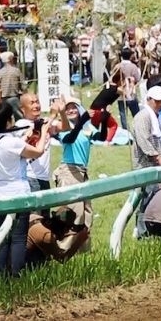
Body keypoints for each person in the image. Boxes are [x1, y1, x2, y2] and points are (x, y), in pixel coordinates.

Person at [0, 101, 52, 277]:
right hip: (18, 194)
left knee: (2, 237)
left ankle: (0, 276)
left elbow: (14, 147)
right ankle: (16, 276)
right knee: (18, 237)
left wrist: (29, 134)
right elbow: (38, 151)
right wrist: (44, 131)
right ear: (8, 120)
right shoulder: (12, 142)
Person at [131, 86, 161, 238]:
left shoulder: (156, 116)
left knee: (155, 199)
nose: (160, 105)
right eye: (157, 101)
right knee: (146, 200)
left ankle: (153, 231)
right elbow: (143, 140)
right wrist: (158, 157)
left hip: (156, 165)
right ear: (149, 99)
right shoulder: (143, 116)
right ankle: (142, 232)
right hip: (146, 165)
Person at [53, 97, 95, 235]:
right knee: (73, 213)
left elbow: (102, 137)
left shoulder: (87, 128)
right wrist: (81, 121)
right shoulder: (63, 126)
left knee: (87, 212)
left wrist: (105, 117)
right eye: (67, 108)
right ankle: (67, 244)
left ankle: (83, 244)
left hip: (82, 172)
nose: (71, 110)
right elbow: (70, 139)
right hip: (69, 171)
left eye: (74, 107)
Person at [24, 207, 90, 267]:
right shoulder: (46, 236)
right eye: (67, 229)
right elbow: (62, 259)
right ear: (64, 228)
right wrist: (79, 241)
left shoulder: (37, 218)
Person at [0, 51, 26, 118]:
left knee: (5, 117)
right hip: (14, 97)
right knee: (19, 117)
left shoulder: (0, 72)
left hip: (3, 99)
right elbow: (23, 86)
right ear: (10, 59)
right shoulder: (16, 71)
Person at [117, 48, 141, 131]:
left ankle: (125, 130)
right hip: (131, 93)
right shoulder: (133, 66)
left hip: (120, 93)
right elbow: (137, 79)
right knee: (136, 114)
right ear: (130, 56)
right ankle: (138, 129)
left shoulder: (118, 66)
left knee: (123, 115)